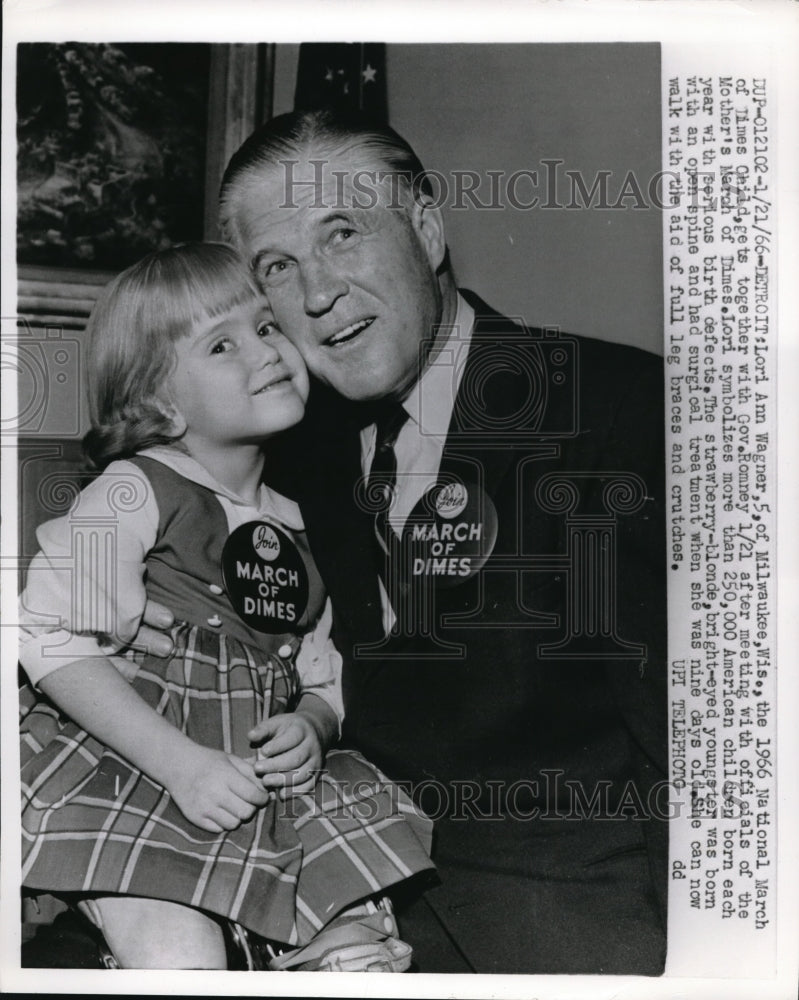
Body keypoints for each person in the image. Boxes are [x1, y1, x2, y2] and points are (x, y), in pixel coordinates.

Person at [140, 108, 668, 974]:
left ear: (425, 227)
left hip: (585, 938)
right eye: (277, 267)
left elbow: (701, 762)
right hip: (351, 916)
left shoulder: (618, 411)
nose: (317, 293)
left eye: (341, 234)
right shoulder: (285, 454)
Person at [18, 242, 434, 971]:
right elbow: (50, 637)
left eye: (267, 327)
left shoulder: (302, 518)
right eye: (222, 343)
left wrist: (313, 719)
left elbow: (320, 659)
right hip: (135, 763)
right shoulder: (128, 490)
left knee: (362, 947)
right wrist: (179, 765)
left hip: (263, 778)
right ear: (158, 402)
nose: (266, 351)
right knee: (181, 958)